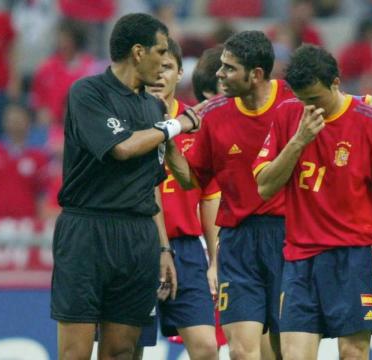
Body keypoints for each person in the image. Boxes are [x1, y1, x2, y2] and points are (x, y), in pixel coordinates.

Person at [164, 30, 372, 360]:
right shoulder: (223, 114)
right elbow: (193, 180)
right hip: (245, 240)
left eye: (229, 67)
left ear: (255, 75)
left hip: (293, 235)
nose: (221, 75)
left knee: (287, 350)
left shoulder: (299, 99)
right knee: (242, 350)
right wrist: (167, 143)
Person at [50, 13, 202, 359]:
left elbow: (163, 181)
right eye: (161, 50)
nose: (166, 60)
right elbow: (121, 148)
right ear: (137, 52)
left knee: (121, 351)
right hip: (87, 230)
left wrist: (163, 249)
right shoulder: (88, 92)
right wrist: (174, 126)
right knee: (75, 352)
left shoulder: (152, 107)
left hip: (137, 237)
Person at [253, 44, 372, 359]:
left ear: (336, 84)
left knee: (352, 353)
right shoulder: (289, 115)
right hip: (300, 258)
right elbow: (265, 187)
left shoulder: (370, 121)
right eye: (303, 100)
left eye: (315, 99)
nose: (310, 109)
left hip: (354, 257)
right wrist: (299, 141)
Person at [145, 37, 222, 360]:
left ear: (179, 75)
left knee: (206, 347)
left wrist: (215, 261)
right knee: (126, 347)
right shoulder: (128, 124)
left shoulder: (196, 124)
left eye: (168, 68)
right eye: (155, 67)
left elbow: (210, 198)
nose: (160, 75)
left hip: (188, 249)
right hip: (139, 246)